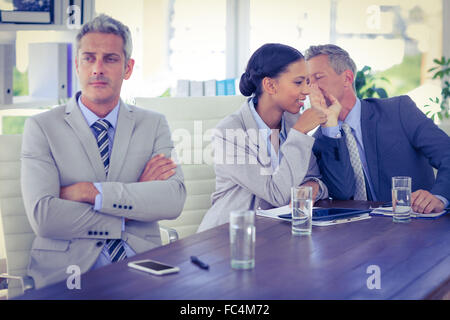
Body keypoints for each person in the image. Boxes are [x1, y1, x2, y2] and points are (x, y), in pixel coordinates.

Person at [21, 14, 186, 289]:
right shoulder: (41, 127)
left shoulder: (153, 123)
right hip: (68, 274)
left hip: (143, 266)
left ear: (128, 68)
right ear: (77, 65)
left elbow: (172, 200)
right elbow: (45, 218)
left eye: (110, 58)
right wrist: (132, 203)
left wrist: (90, 192)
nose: (97, 68)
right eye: (88, 58)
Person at [198, 43, 329, 232]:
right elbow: (276, 195)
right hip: (229, 238)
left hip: (277, 235)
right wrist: (299, 133)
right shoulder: (228, 133)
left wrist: (312, 186)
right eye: (299, 82)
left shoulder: (292, 121)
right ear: (270, 85)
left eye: (307, 82)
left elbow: (315, 179)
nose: (307, 91)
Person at [306, 44, 450, 213]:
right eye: (308, 81)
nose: (311, 87)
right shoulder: (322, 139)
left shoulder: (398, 110)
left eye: (318, 77)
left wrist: (440, 197)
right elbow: (343, 192)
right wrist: (330, 127)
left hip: (414, 223)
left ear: (347, 78)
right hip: (358, 232)